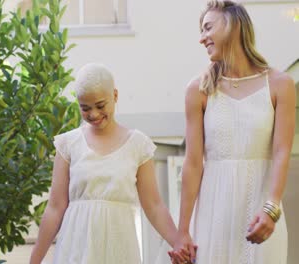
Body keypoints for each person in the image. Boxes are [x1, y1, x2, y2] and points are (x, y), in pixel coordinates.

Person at [170, 1, 296, 263]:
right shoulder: (198, 90)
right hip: (212, 214)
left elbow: (282, 150)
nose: (201, 38)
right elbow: (193, 164)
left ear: (234, 26)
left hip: (261, 212)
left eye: (207, 27)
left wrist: (271, 208)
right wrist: (182, 232)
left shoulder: (280, 84)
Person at [29, 63, 188, 264]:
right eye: (85, 108)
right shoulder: (69, 144)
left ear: (115, 95)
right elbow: (55, 207)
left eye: (100, 105)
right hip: (77, 247)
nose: (93, 114)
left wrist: (178, 244)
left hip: (119, 246)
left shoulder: (137, 145)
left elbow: (154, 206)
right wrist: (34, 260)